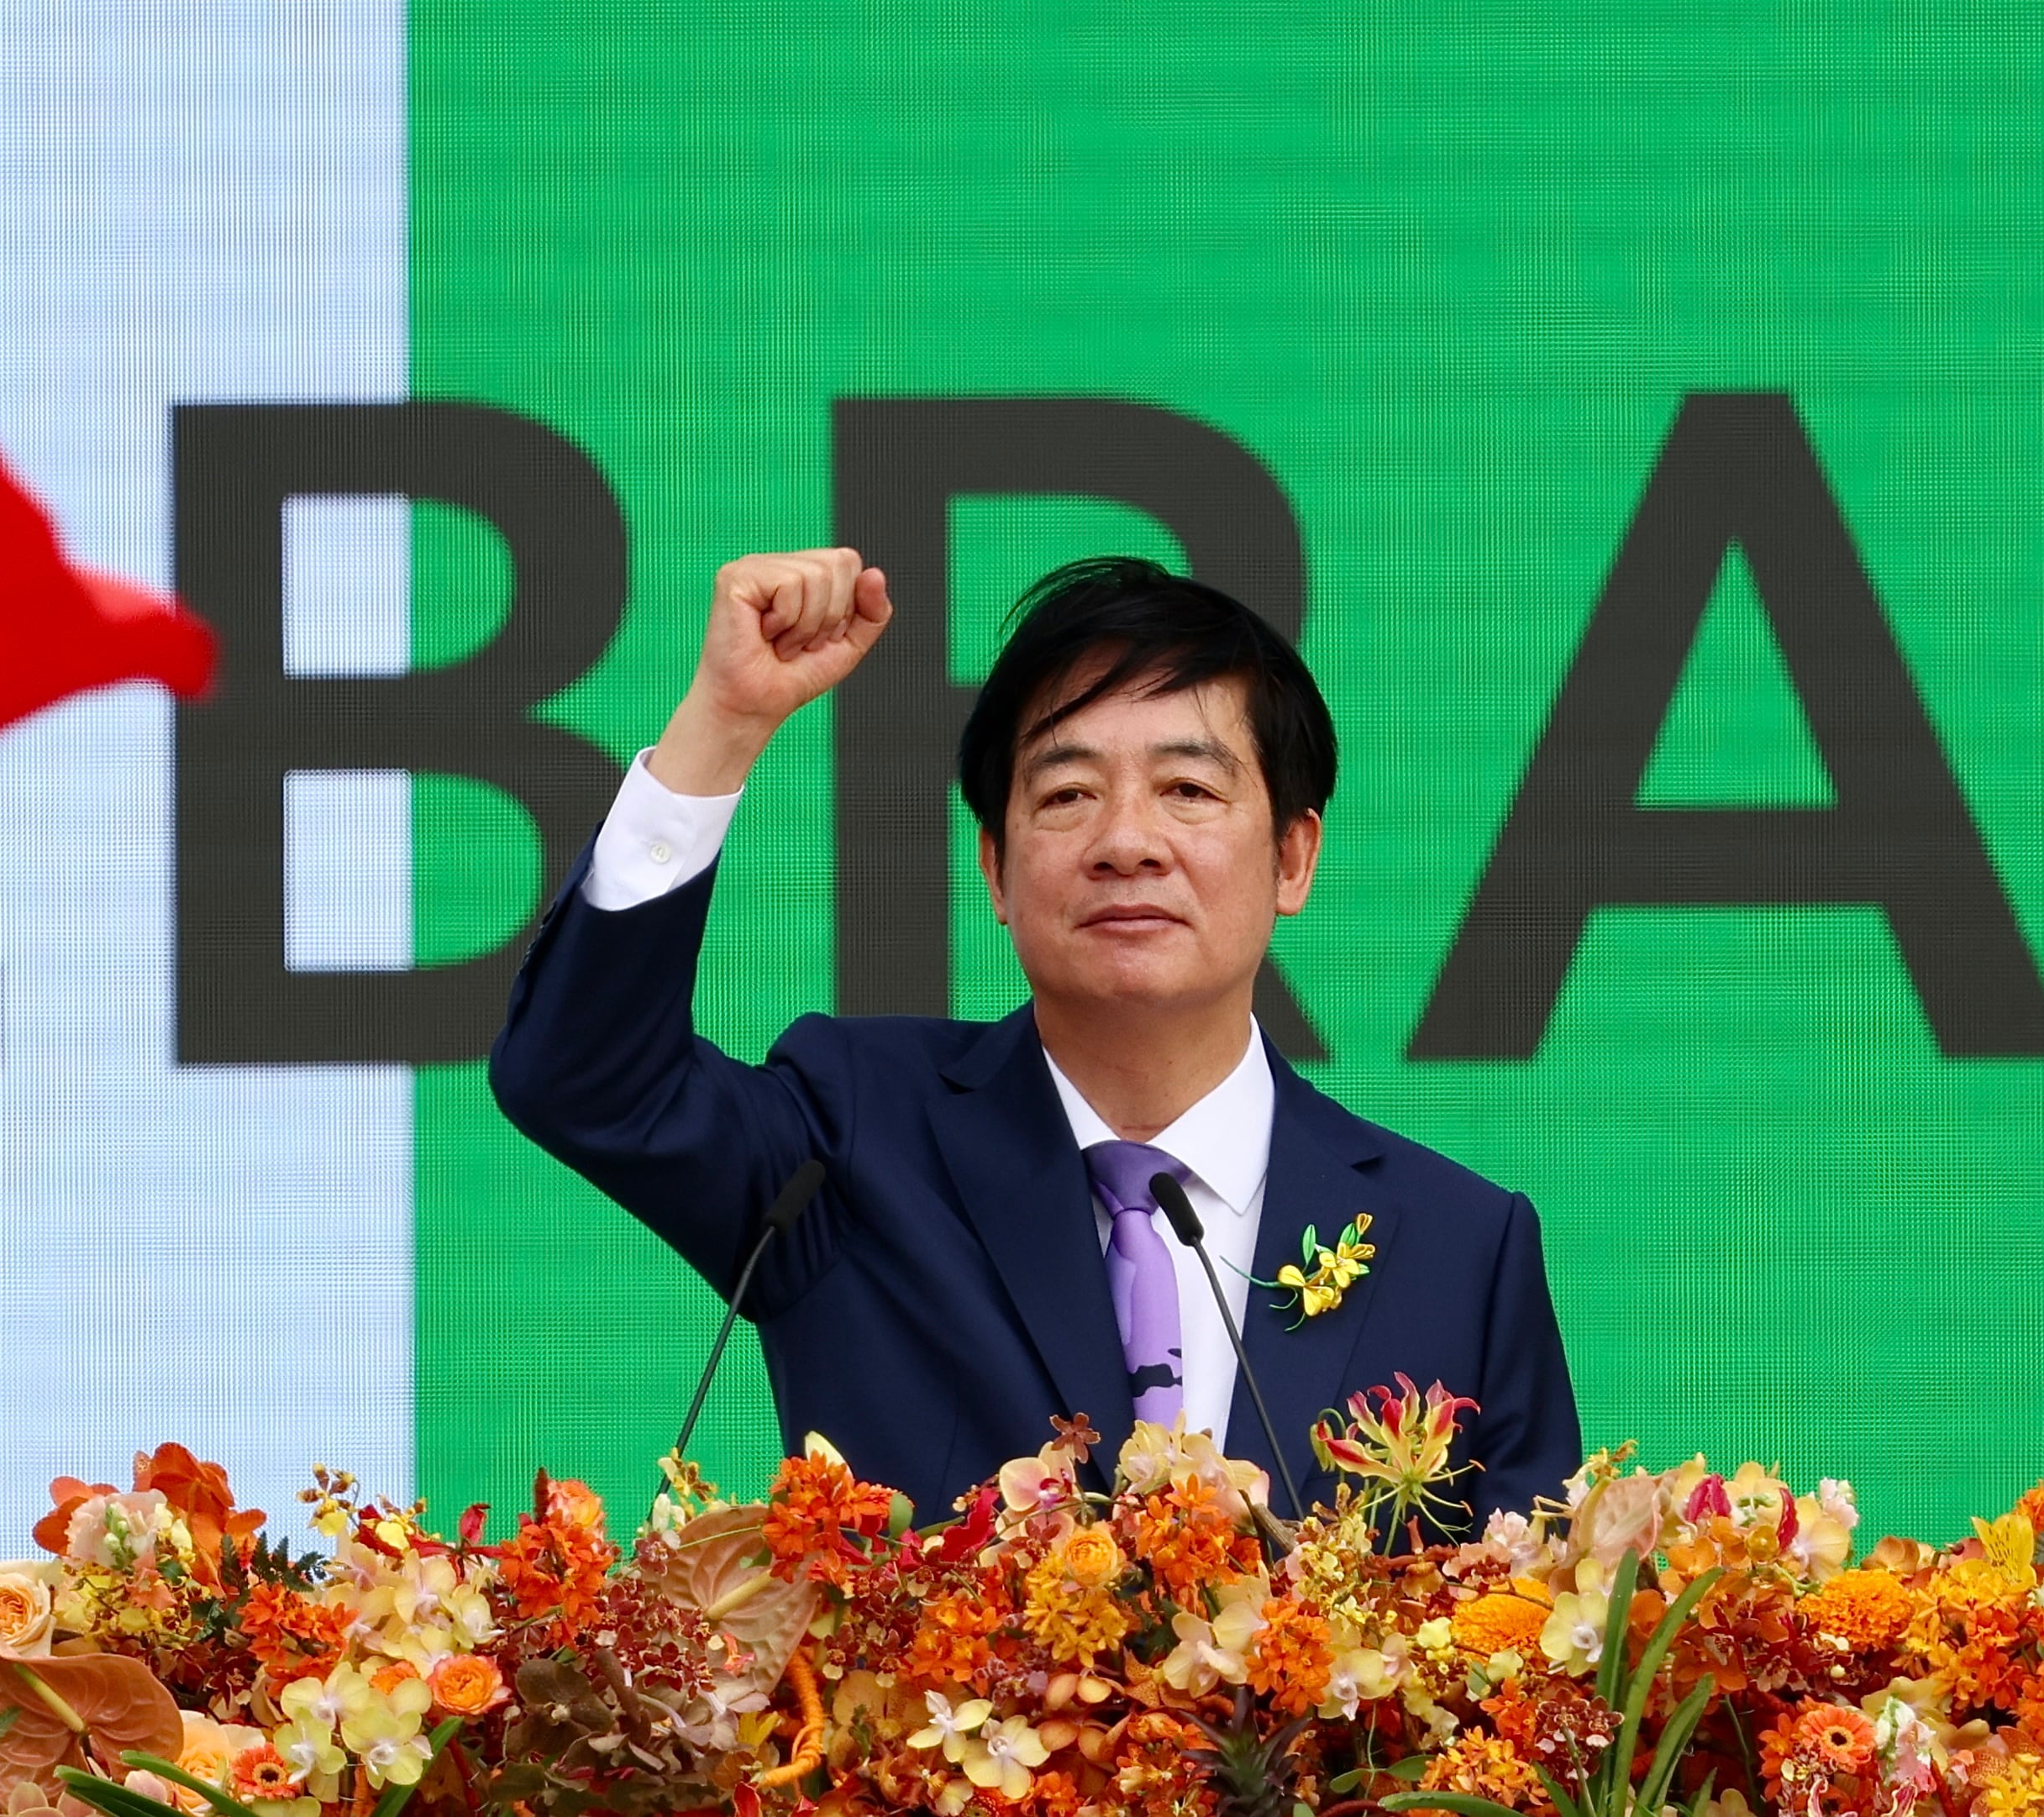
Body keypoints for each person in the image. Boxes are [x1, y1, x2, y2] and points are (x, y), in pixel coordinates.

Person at [488, 549, 1579, 1524]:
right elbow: (584, 1081)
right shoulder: (850, 1136)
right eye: (1066, 794)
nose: (1125, 841)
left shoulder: (1458, 1248)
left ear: (1292, 858)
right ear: (995, 868)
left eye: (1187, 788)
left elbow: (1528, 1665)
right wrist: (720, 724)